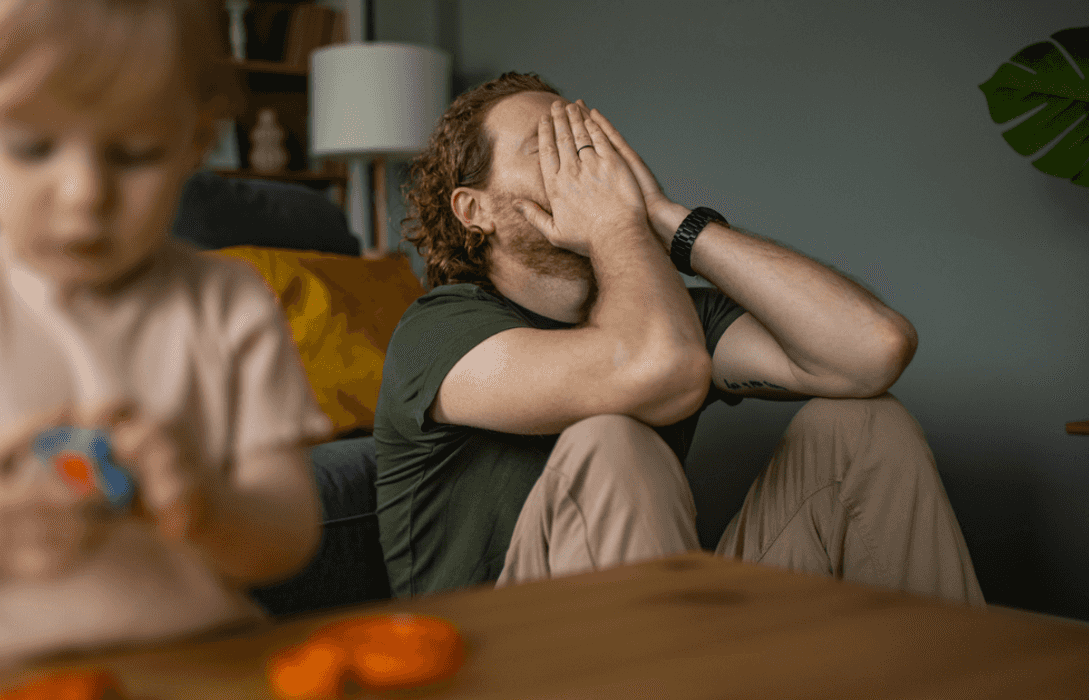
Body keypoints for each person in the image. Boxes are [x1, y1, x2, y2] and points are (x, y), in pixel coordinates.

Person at [0, 0, 334, 688]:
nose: (84, 193)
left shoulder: (230, 304)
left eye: (134, 153)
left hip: (193, 667)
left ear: (197, 138)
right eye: (33, 148)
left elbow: (288, 533)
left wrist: (208, 505)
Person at [374, 72, 984, 605]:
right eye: (549, 148)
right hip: (502, 658)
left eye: (588, 141)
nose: (586, 165)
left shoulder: (663, 310)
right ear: (472, 210)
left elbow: (874, 349)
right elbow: (656, 370)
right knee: (610, 437)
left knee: (863, 427)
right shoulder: (437, 332)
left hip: (667, 630)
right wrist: (616, 224)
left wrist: (667, 219)